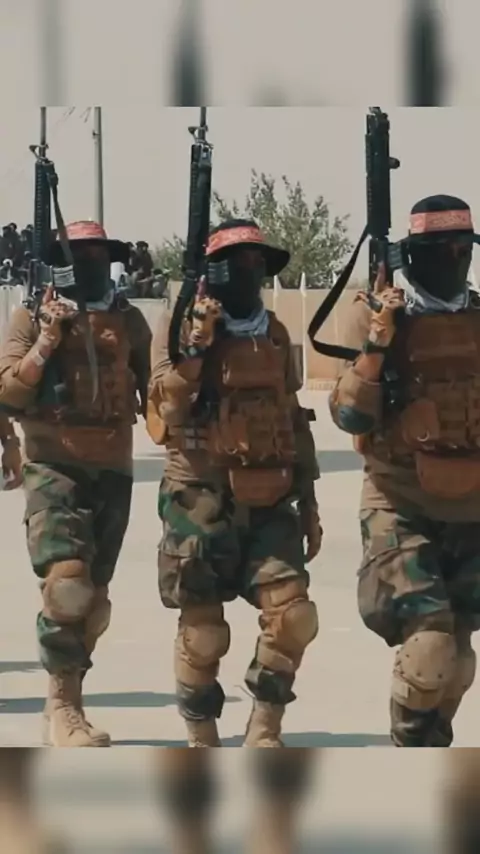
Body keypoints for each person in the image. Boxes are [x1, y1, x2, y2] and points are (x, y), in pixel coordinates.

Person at [148, 218, 321, 747]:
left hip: (270, 493)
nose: (250, 272)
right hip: (199, 497)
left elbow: (292, 414)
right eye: (239, 263)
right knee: (203, 633)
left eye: (257, 263)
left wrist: (309, 497)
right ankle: (202, 737)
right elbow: (165, 412)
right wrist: (197, 349)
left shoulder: (274, 333)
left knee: (293, 616)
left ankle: (265, 730)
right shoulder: (178, 325)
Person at [329, 195, 480, 747]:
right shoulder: (375, 314)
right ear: (412, 255)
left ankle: (430, 746)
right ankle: (410, 749)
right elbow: (349, 415)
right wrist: (378, 342)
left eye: (464, 248)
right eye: (442, 249)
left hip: (470, 507)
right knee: (430, 646)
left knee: (458, 658)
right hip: (400, 501)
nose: (455, 258)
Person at [0, 220, 152, 747]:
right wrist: (47, 340)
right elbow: (8, 393)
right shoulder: (30, 316)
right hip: (53, 467)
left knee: (95, 602)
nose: (87, 263)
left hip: (113, 468)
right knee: (67, 586)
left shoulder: (129, 321)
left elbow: (159, 391)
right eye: (76, 254)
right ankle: (66, 707)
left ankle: (64, 697)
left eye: (97, 254)